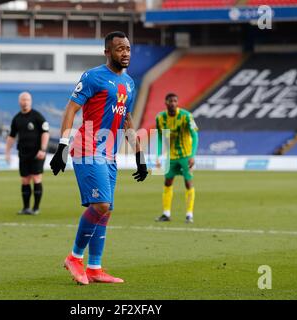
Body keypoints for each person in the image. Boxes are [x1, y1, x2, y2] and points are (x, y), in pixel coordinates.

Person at [49, 31, 148, 285]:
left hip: (109, 153)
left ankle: (95, 268)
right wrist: (61, 146)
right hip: (86, 147)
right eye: (119, 49)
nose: (125, 53)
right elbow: (71, 108)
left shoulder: (129, 84)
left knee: (107, 211)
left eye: (127, 48)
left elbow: (126, 119)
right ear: (107, 52)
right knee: (101, 205)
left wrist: (139, 155)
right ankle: (74, 257)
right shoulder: (93, 77)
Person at [155, 93, 199, 223]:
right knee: (167, 182)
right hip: (171, 157)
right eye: (170, 101)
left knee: (188, 182)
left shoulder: (187, 116)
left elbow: (195, 135)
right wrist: (158, 155)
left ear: (177, 102)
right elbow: (159, 137)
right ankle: (166, 213)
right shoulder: (160, 118)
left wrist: (192, 155)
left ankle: (189, 214)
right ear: (166, 102)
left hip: (186, 156)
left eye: (175, 101)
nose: (173, 103)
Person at [5, 92, 50, 215]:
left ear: (30, 101)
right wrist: (7, 152)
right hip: (23, 153)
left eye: (27, 99)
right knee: (24, 180)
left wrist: (43, 149)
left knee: (36, 178)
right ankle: (26, 208)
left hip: (37, 153)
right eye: (23, 99)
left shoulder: (37, 116)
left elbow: (45, 133)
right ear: (19, 101)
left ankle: (35, 208)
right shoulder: (17, 118)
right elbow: (11, 136)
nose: (25, 102)